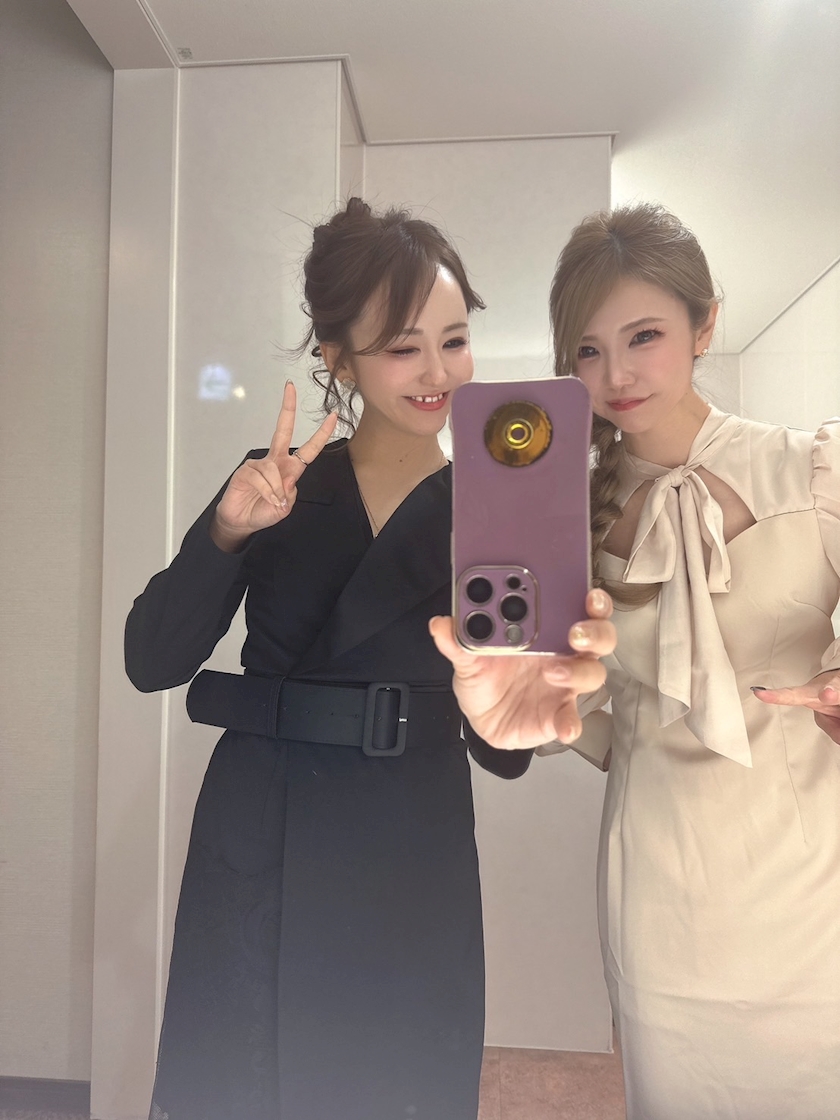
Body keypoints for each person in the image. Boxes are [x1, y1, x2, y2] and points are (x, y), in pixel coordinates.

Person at [125, 197, 615, 1120]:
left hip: (410, 833)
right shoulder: (274, 483)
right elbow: (151, 659)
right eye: (401, 347)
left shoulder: (493, 509)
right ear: (338, 358)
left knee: (391, 1081)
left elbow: (504, 745)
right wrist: (225, 533)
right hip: (262, 825)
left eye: (454, 341)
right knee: (240, 1081)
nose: (438, 372)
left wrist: (522, 702)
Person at [432, 202, 840, 1119]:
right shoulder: (567, 521)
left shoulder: (814, 471)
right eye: (588, 349)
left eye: (644, 336)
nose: (615, 374)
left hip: (818, 896)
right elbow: (584, 722)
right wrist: (533, 711)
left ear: (705, 324)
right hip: (662, 897)